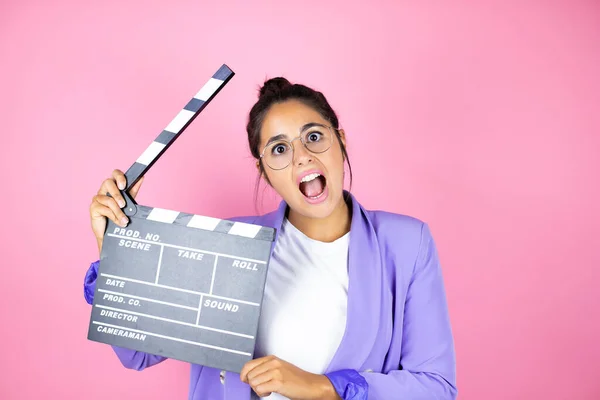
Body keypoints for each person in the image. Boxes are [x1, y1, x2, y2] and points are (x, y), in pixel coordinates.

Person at [83, 77, 458, 399]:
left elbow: (436, 386)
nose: (301, 157)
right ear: (263, 169)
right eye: (279, 149)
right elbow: (137, 354)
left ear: (340, 141)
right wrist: (114, 245)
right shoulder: (228, 246)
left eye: (314, 136)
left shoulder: (407, 244)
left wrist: (322, 387)